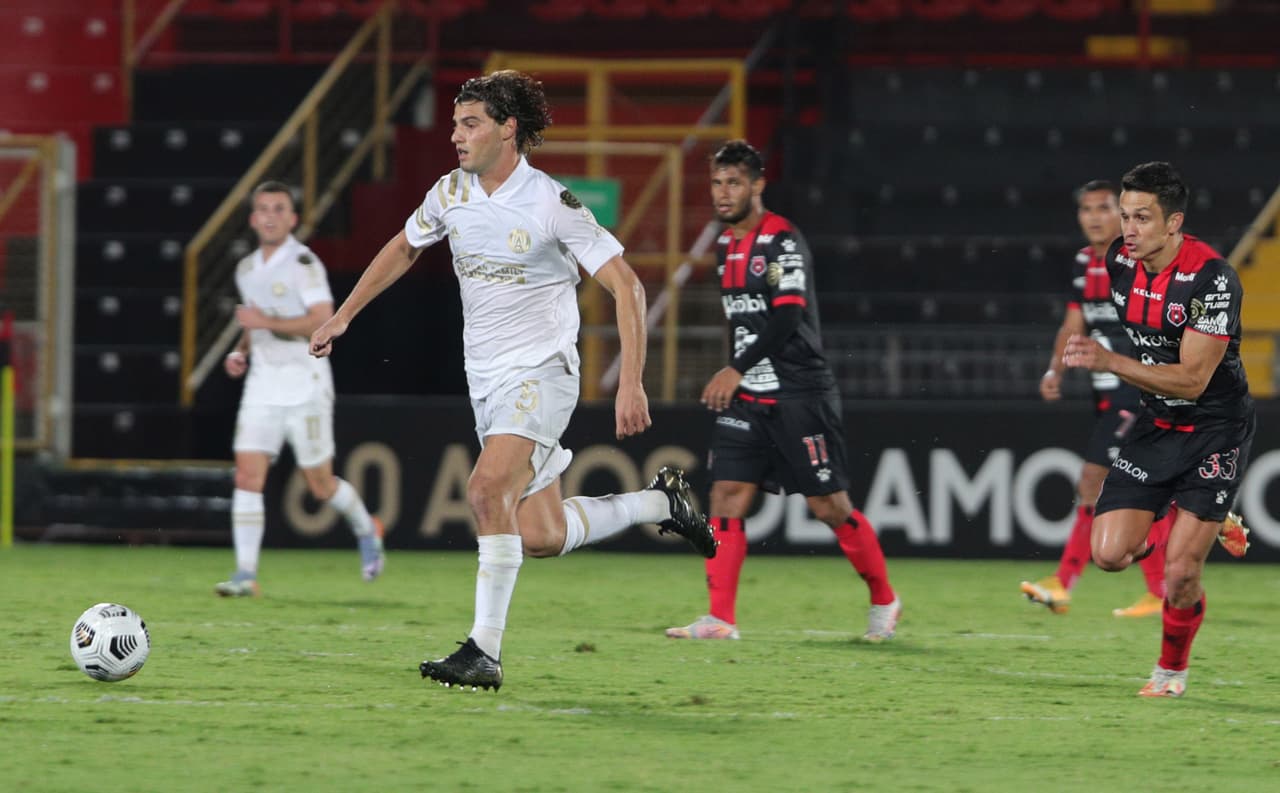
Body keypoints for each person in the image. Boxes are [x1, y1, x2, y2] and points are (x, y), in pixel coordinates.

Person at [308, 70, 716, 691]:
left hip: (542, 373)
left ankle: (483, 650)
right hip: (486, 382)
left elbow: (628, 286)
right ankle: (663, 502)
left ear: (508, 129)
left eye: (469, 124)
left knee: (483, 490)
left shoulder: (552, 203)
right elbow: (404, 248)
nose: (455, 136)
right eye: (454, 124)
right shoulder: (451, 193)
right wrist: (343, 315)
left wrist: (630, 381)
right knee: (540, 535)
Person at [664, 140, 900, 643]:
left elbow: (788, 315)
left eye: (733, 183)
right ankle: (720, 618)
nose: (723, 193)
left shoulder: (781, 242)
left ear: (757, 186)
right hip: (750, 396)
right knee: (726, 496)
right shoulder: (726, 246)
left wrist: (733, 367)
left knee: (828, 506)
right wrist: (738, 376)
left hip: (799, 392)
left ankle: (884, 598)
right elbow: (742, 323)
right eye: (717, 183)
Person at [1063, 161, 1253, 698]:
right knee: (1109, 556)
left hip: (1215, 427)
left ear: (1174, 223)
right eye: (1125, 216)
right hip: (1157, 424)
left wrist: (1108, 361)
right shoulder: (1119, 261)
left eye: (1142, 218)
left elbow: (1193, 379)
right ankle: (1204, 517)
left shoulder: (1212, 279)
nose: (1128, 229)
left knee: (1181, 575)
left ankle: (1170, 672)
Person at [216, 181, 385, 597]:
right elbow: (255, 323)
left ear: (292, 219)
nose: (270, 215)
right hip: (262, 386)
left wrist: (262, 326)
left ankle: (367, 529)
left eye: (279, 208)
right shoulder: (246, 269)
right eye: (263, 208)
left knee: (320, 485)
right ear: (254, 218)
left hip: (304, 384)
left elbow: (321, 319)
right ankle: (245, 574)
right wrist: (242, 350)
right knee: (247, 476)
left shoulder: (303, 263)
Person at [1021, 180, 1172, 619]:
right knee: (1143, 486)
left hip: (1138, 385)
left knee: (1092, 479)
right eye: (1085, 209)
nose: (1093, 217)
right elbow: (1074, 324)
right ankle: (1163, 581)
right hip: (1106, 389)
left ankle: (1064, 583)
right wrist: (1056, 369)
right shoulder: (1086, 261)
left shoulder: (1141, 258)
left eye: (1103, 208)